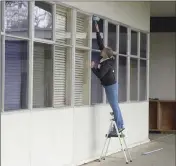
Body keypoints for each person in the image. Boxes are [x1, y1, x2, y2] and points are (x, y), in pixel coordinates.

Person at [91, 17, 125, 133]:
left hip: (111, 86)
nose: (101, 50)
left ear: (105, 55)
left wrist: (92, 68)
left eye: (102, 51)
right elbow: (100, 42)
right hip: (109, 85)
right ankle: (119, 123)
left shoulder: (107, 64)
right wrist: (96, 28)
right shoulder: (106, 56)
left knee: (114, 105)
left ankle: (119, 126)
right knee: (114, 105)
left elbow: (100, 75)